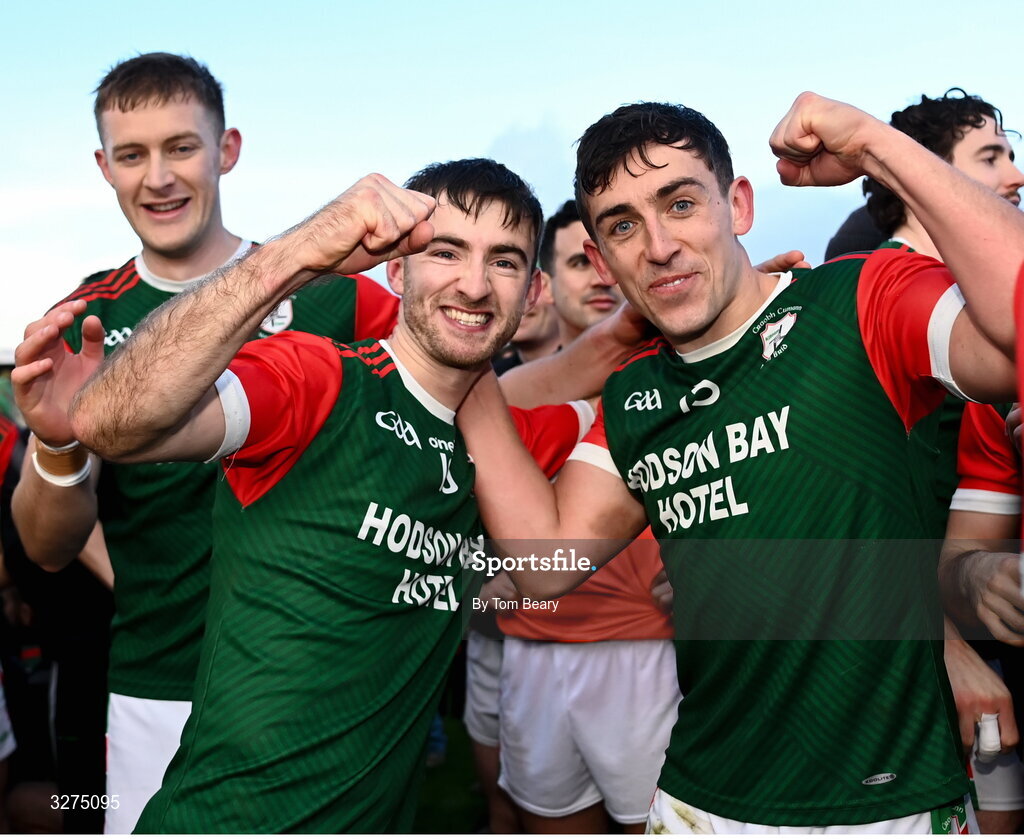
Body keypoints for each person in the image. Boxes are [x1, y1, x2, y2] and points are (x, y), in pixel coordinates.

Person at [455, 92, 1024, 832]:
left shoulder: (857, 301)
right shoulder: (635, 394)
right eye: (623, 225)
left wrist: (875, 144)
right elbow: (547, 562)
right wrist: (463, 354)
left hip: (886, 802)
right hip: (703, 801)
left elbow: (1013, 327)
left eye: (681, 203)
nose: (658, 245)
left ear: (740, 204)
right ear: (602, 259)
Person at [52, 158, 639, 832]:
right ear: (396, 269)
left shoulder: (505, 454)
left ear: (533, 289)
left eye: (503, 261)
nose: (474, 285)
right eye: (445, 251)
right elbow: (108, 419)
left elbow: (610, 402)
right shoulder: (318, 379)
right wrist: (298, 251)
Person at [10, 52, 401, 832]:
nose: (158, 176)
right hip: (161, 683)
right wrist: (59, 451)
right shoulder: (83, 318)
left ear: (227, 150)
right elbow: (47, 545)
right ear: (104, 167)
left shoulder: (337, 296)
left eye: (181, 147)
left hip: (320, 677)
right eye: (132, 154)